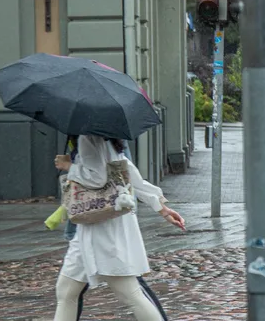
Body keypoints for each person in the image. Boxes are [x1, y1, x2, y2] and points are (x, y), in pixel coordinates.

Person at [52, 134, 185, 321]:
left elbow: (97, 178)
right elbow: (127, 171)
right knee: (66, 291)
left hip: (102, 229)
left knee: (130, 294)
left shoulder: (87, 137)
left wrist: (70, 167)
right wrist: (160, 207)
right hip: (94, 228)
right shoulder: (108, 137)